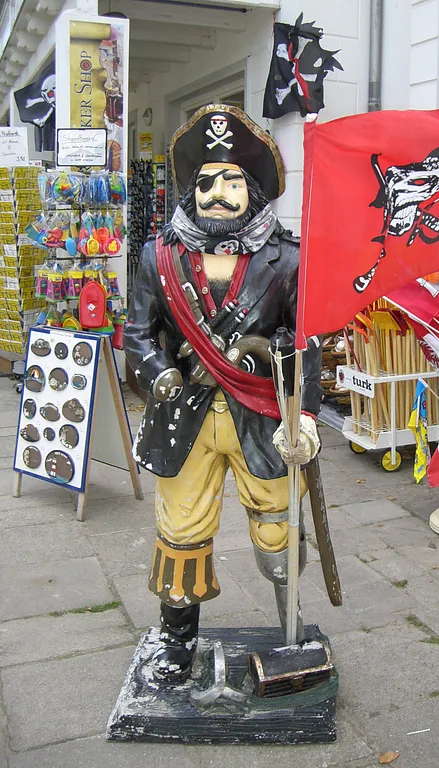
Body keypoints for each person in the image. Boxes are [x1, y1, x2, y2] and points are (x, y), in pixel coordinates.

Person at [124, 104, 322, 683]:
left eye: (232, 181)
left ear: (253, 190)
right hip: (183, 415)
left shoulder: (287, 259)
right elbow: (137, 333)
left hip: (262, 415)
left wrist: (305, 416)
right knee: (181, 530)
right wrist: (159, 372)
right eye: (206, 181)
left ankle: (289, 625)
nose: (217, 193)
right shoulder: (158, 256)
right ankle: (177, 640)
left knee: (279, 526)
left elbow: (306, 338)